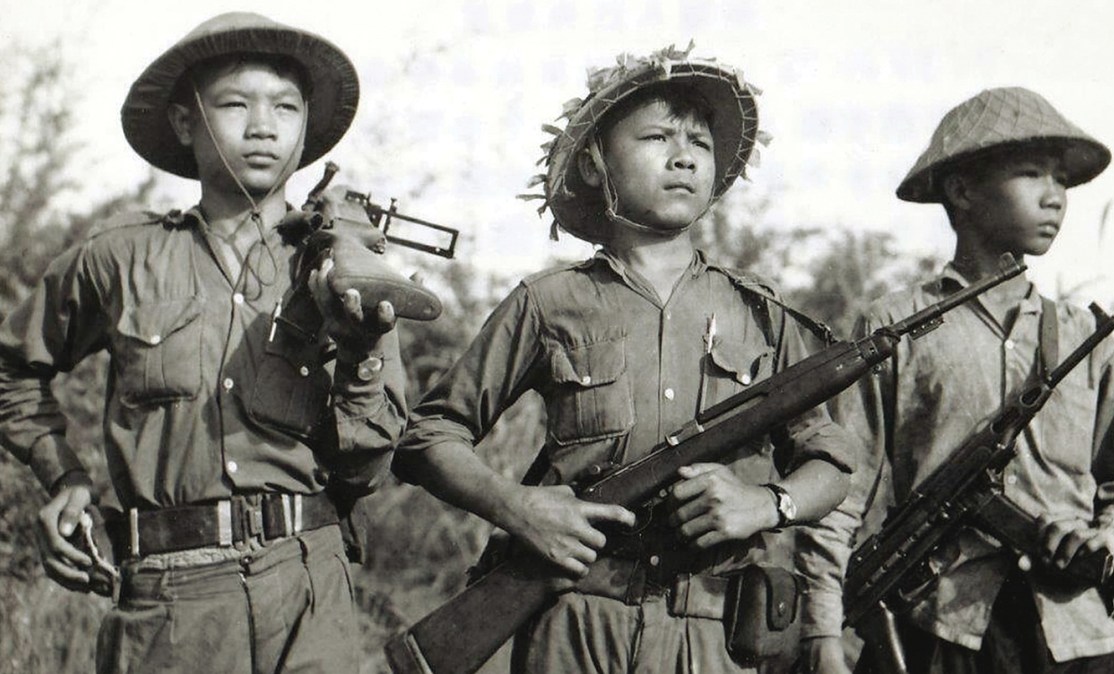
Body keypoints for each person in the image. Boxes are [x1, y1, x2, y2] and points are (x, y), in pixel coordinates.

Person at [393, 45, 856, 673]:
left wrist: (767, 503)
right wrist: (517, 506)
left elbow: (829, 460)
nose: (685, 154)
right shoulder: (549, 301)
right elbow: (429, 433)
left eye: (699, 140)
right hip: (576, 621)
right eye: (657, 135)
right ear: (594, 161)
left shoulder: (763, 312)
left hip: (714, 632)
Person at [0, 12, 409, 673]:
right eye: (234, 104)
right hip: (170, 597)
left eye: (285, 106)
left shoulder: (344, 266)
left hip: (307, 587)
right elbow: (11, 370)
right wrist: (63, 478)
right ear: (187, 124)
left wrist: (362, 351)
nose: (262, 127)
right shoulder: (120, 258)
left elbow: (365, 469)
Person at [805, 87, 1114, 674]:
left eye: (1061, 181)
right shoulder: (894, 327)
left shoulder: (1085, 336)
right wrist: (822, 629)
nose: (1055, 197)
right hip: (939, 632)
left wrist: (1112, 545)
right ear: (962, 189)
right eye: (1031, 174)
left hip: (1076, 637)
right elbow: (838, 489)